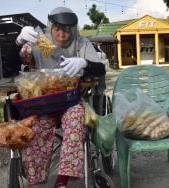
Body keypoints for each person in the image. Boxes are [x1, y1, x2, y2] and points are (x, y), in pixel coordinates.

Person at [15, 7, 105, 188]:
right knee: (36, 129)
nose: (63, 34)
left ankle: (62, 181)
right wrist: (17, 42)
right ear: (51, 27)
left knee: (76, 118)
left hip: (70, 101)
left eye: (68, 29)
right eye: (58, 28)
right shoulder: (40, 42)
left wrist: (84, 63)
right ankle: (36, 179)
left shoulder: (81, 43)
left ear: (73, 28)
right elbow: (11, 64)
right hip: (42, 104)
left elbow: (101, 69)